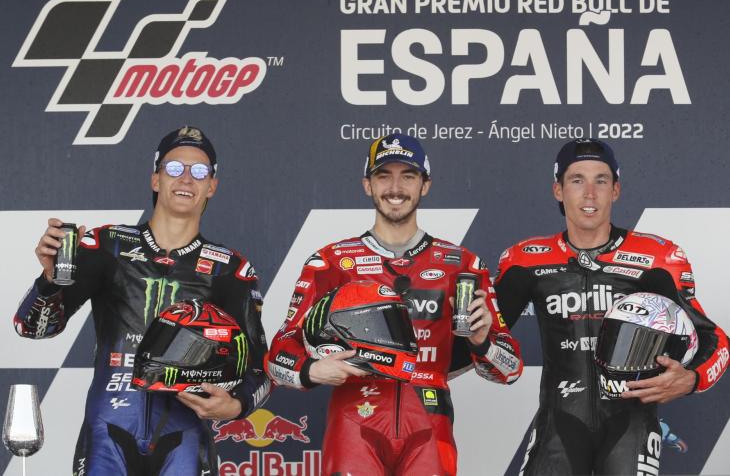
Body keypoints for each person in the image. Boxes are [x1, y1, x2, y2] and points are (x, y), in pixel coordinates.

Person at [14, 126, 270, 475]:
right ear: (155, 179)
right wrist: (48, 281)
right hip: (108, 431)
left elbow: (259, 367)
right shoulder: (107, 245)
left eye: (199, 171)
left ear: (212, 186)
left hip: (185, 437)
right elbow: (32, 328)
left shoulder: (230, 268)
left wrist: (236, 405)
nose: (186, 178)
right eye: (174, 168)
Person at [266, 133, 523, 476]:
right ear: (367, 185)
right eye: (384, 176)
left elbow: (511, 370)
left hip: (430, 420)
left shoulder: (463, 265)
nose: (395, 188)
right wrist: (310, 370)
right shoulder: (330, 262)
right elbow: (278, 355)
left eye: (408, 176)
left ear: (425, 185)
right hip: (354, 419)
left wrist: (482, 342)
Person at [494, 138, 729, 475]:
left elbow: (715, 340)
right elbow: (486, 339)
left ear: (615, 190)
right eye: (577, 180)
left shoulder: (657, 258)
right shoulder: (525, 260)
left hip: (631, 424)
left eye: (601, 180)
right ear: (558, 190)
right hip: (559, 424)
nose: (590, 193)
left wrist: (692, 379)